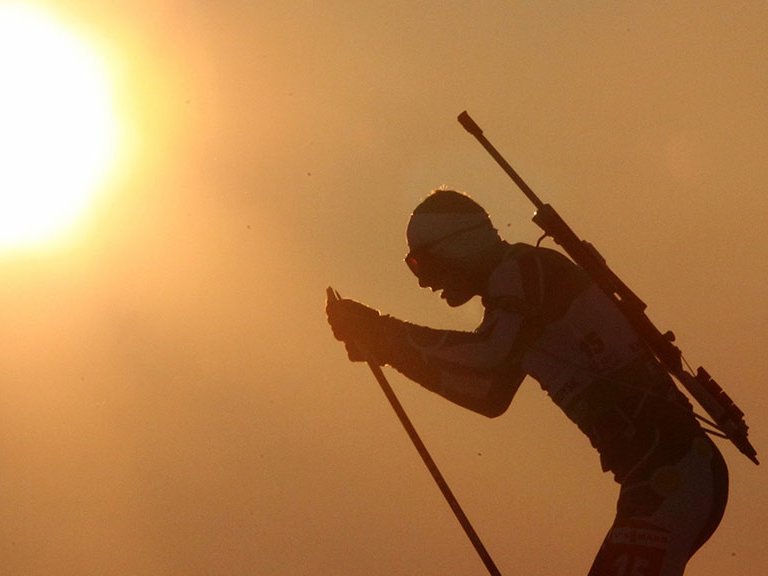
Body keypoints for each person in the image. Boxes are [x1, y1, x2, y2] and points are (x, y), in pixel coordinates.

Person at [326, 189, 729, 576]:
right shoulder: (516, 295)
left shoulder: (523, 269)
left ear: (458, 246)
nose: (424, 282)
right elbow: (488, 395)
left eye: (424, 264)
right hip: (667, 479)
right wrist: (391, 351)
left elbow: (487, 354)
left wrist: (384, 334)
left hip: (673, 475)